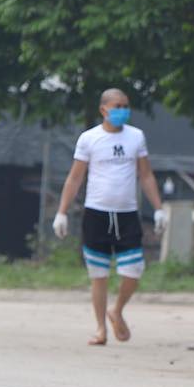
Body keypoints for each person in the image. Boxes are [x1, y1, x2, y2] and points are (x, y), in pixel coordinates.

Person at [52, 89, 168, 346]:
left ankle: (117, 310)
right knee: (99, 274)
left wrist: (158, 207)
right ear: (104, 109)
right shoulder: (89, 139)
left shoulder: (136, 137)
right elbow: (75, 177)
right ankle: (100, 328)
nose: (123, 111)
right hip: (96, 213)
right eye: (117, 106)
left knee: (133, 270)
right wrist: (61, 211)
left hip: (127, 214)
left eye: (126, 106)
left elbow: (146, 175)